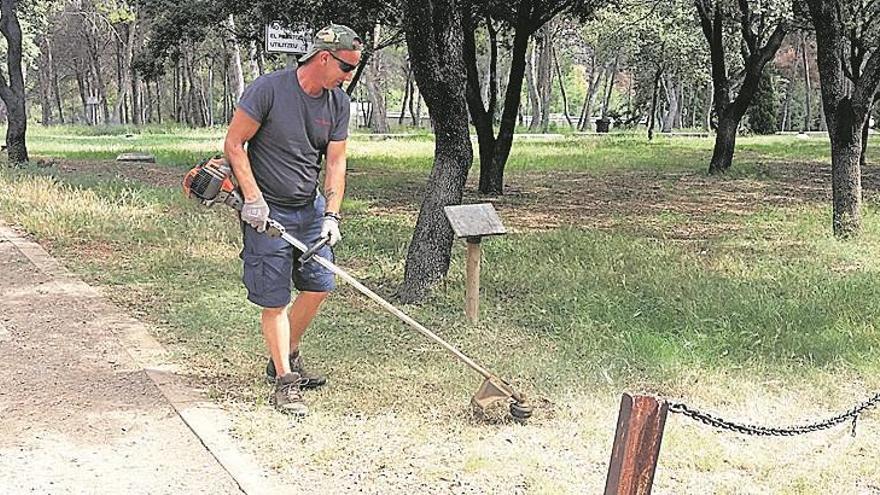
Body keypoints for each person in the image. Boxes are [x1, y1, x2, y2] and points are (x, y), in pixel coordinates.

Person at [224, 24, 362, 415]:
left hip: (308, 207)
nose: (349, 76)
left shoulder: (337, 103)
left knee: (319, 285)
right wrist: (252, 199)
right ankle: (285, 382)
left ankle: (286, 353)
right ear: (323, 57)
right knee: (276, 299)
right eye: (346, 67)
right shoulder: (268, 90)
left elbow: (336, 161)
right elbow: (234, 144)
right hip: (266, 208)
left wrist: (331, 214)